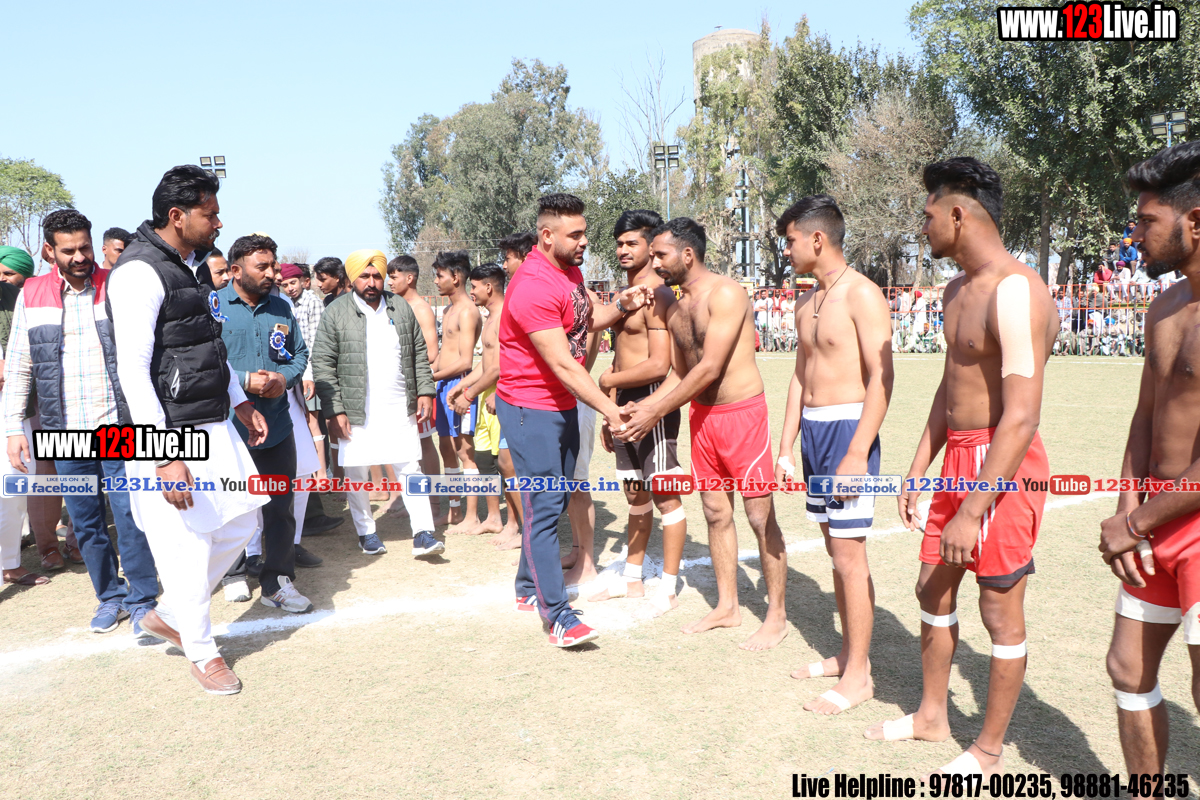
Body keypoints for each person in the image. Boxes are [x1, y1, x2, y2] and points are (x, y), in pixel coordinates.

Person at [868, 157, 1056, 776]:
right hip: (956, 460)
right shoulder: (954, 291)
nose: (921, 227)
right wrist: (919, 466)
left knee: (998, 610)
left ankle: (989, 750)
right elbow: (952, 387)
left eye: (927, 216)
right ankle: (931, 717)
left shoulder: (1017, 290)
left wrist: (973, 508)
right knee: (931, 585)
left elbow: (1021, 415)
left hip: (1003, 464)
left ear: (957, 214)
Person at [107, 165, 269, 695]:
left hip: (212, 420)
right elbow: (133, 370)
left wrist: (240, 402)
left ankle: (172, 613)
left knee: (242, 519)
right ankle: (202, 652)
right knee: (188, 544)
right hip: (166, 432)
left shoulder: (190, 266)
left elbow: (208, 348)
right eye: (210, 213)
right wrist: (162, 453)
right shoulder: (137, 272)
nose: (218, 222)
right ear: (177, 216)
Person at [620, 217, 788, 652]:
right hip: (703, 418)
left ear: (688, 254)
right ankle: (728, 606)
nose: (654, 263)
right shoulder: (676, 308)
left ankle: (777, 615)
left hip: (742, 416)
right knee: (715, 513)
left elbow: (711, 367)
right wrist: (642, 407)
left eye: (661, 255)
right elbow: (680, 374)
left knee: (759, 516)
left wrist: (655, 409)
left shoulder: (727, 293)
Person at [496, 192, 649, 648]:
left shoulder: (569, 272)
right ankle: (558, 616)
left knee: (554, 501)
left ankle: (527, 587)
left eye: (585, 232)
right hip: (531, 408)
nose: (584, 241)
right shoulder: (533, 284)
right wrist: (610, 409)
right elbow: (564, 363)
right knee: (545, 507)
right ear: (547, 236)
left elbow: (586, 319)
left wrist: (622, 305)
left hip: (560, 403)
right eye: (575, 234)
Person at [3, 210, 161, 635]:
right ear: (48, 251)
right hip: (63, 431)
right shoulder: (32, 293)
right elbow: (19, 364)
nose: (79, 257)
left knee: (130, 515)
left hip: (120, 427)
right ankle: (110, 597)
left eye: (85, 248)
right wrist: (13, 427)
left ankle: (143, 600)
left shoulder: (116, 286)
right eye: (68, 250)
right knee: (87, 522)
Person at [1098, 141, 1200, 774]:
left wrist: (1134, 522)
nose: (1135, 234)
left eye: (1147, 221)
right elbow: (1145, 416)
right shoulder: (1163, 306)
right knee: (1128, 666)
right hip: (1155, 517)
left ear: (1196, 221)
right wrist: (1127, 510)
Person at [772, 195, 894, 714]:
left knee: (849, 555)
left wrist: (857, 452)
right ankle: (847, 655)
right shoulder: (806, 302)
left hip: (848, 432)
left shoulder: (862, 294)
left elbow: (883, 378)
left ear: (817, 239)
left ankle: (860, 676)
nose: (787, 250)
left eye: (791, 240)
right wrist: (785, 447)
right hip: (815, 435)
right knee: (833, 550)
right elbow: (801, 376)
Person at [312, 250, 441, 559]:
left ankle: (423, 533)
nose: (371, 282)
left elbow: (418, 353)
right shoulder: (336, 312)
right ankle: (366, 532)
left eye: (377, 276)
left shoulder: (400, 307)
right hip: (355, 407)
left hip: (399, 403)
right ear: (351, 278)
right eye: (364, 276)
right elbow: (323, 363)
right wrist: (335, 409)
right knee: (356, 470)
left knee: (410, 466)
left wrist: (425, 391)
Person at [589, 208, 685, 613]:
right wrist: (609, 409)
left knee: (665, 494)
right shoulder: (626, 295)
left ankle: (668, 586)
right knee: (635, 492)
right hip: (622, 402)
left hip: (652, 401)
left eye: (632, 242)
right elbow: (620, 355)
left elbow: (660, 364)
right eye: (619, 243)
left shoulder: (658, 294)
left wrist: (607, 381)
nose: (623, 250)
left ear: (651, 246)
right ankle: (632, 580)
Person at [214, 234, 312, 613]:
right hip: (228, 428)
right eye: (263, 267)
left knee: (280, 508)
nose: (273, 273)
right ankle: (233, 573)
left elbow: (299, 354)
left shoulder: (281, 307)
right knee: (231, 505)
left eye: (274, 265)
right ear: (236, 270)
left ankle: (277, 582)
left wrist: (282, 378)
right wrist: (243, 381)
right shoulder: (213, 306)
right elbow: (204, 361)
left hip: (276, 427)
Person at [448, 262, 508, 535]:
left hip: (499, 401)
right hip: (485, 400)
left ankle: (515, 523)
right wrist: (462, 386)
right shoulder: (490, 318)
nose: (471, 291)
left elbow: (498, 368)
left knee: (504, 465)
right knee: (483, 460)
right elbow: (485, 364)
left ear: (489, 287)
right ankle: (493, 518)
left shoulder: (505, 317)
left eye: (474, 286)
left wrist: (469, 394)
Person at [490, 230, 537, 550]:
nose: (504, 265)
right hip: (511, 393)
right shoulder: (516, 296)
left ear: (524, 257)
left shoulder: (531, 295)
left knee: (519, 466)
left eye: (508, 258)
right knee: (507, 464)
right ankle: (519, 526)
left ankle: (532, 532)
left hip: (529, 396)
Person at [431, 250, 481, 532]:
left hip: (460, 385)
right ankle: (454, 511)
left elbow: (465, 361)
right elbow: (443, 353)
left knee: (464, 451)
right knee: (446, 449)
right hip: (442, 385)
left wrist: (433, 376)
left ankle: (472, 516)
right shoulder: (448, 310)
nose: (436, 281)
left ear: (456, 277)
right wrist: (431, 374)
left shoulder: (468, 311)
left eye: (440, 276)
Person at [386, 255, 442, 499]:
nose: (389, 282)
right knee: (398, 442)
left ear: (409, 278)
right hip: (395, 387)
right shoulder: (392, 306)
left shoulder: (421, 309)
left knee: (424, 442)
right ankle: (404, 496)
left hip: (417, 387)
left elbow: (431, 353)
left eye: (393, 277)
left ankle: (433, 501)